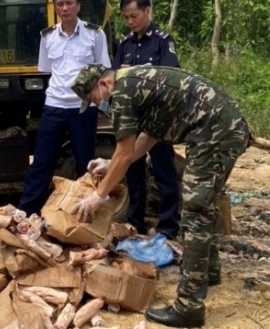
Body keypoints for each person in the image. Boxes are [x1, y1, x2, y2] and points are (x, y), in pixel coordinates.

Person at [71, 64, 250, 328]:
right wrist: (111, 165)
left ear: (104, 85)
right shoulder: (135, 83)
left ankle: (189, 307)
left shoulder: (123, 94)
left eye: (95, 100)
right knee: (204, 204)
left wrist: (98, 196)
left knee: (195, 210)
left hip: (214, 132)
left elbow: (124, 153)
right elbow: (149, 137)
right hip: (223, 126)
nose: (98, 106)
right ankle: (207, 271)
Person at [18, 0, 111, 216]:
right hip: (54, 106)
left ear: (78, 6)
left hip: (82, 108)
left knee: (85, 163)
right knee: (41, 162)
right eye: (60, 4)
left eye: (69, 3)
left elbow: (105, 71)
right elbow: (47, 70)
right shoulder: (48, 36)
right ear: (55, 8)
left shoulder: (95, 34)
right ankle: (26, 213)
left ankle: (85, 214)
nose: (65, 8)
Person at [111, 0, 181, 239]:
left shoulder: (162, 41)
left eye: (134, 16)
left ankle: (169, 226)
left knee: (164, 171)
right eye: (126, 17)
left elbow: (171, 75)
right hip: (133, 116)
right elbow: (116, 77)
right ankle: (136, 223)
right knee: (132, 170)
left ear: (147, 11)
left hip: (158, 117)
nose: (131, 22)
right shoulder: (125, 43)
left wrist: (139, 71)